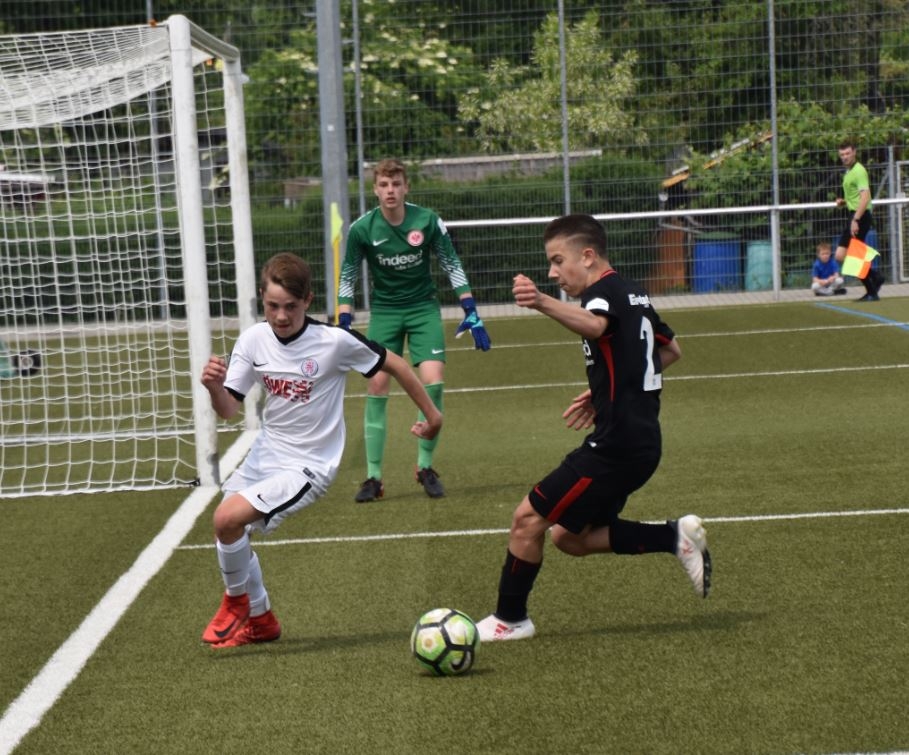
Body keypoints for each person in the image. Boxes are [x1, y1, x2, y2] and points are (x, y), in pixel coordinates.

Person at [475, 214, 711, 642]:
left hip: (615, 446)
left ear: (587, 256)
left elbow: (597, 324)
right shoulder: (633, 292)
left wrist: (541, 301)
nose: (553, 272)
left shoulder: (599, 294)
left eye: (557, 261)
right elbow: (671, 350)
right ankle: (674, 537)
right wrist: (605, 387)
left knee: (526, 519)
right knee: (570, 537)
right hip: (640, 442)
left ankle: (510, 619)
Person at [200, 252, 442, 648]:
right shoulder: (252, 340)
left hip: (309, 466)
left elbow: (396, 364)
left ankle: (236, 601)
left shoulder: (333, 343)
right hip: (265, 455)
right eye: (272, 306)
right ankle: (261, 620)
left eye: (290, 306)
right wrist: (214, 386)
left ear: (308, 300)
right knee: (229, 532)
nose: (281, 316)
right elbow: (228, 409)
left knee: (226, 518)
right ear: (262, 298)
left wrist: (433, 416)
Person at [337, 158, 490, 503]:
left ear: (406, 187)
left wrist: (470, 308)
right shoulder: (362, 229)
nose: (390, 190)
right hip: (385, 313)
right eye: (384, 185)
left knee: (433, 381)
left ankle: (425, 467)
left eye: (396, 184)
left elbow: (451, 262)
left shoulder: (427, 221)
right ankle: (373, 477)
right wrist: (344, 320)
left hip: (423, 310)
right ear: (375, 189)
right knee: (377, 384)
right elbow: (348, 274)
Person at [833, 140, 884, 302]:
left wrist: (855, 219)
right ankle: (875, 277)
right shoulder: (849, 171)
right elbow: (856, 197)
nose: (845, 157)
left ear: (854, 152)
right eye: (842, 154)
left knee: (853, 255)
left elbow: (865, 197)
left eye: (847, 153)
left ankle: (872, 291)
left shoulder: (859, 171)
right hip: (855, 215)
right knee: (841, 255)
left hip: (859, 217)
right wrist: (845, 202)